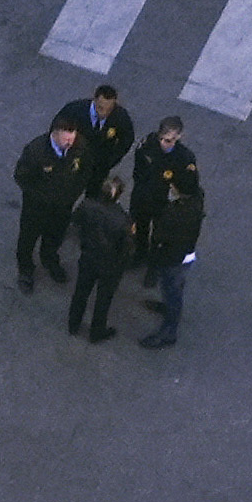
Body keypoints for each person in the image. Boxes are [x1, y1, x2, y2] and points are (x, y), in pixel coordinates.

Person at [12, 116, 86, 292]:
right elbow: (22, 177)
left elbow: (84, 173)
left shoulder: (80, 147)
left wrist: (72, 196)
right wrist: (40, 197)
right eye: (66, 138)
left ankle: (49, 259)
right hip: (36, 208)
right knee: (28, 239)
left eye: (72, 137)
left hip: (62, 206)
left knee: (55, 235)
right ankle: (25, 270)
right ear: (54, 133)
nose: (70, 142)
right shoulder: (36, 151)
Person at [139, 173, 204, 350]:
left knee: (172, 291)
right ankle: (168, 309)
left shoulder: (176, 213)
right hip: (185, 254)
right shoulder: (197, 199)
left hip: (172, 259)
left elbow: (160, 235)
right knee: (175, 288)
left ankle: (168, 332)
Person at [128, 117, 197, 282]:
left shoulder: (184, 158)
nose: (169, 144)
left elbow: (190, 185)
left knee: (160, 238)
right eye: (166, 140)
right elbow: (138, 172)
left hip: (165, 205)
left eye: (173, 139)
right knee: (141, 229)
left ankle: (153, 268)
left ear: (180, 136)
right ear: (159, 135)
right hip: (144, 198)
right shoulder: (147, 146)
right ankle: (140, 254)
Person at [67, 176, 131, 343]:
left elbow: (76, 220)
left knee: (81, 292)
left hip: (88, 257)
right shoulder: (122, 220)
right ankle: (96, 332)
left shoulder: (87, 205)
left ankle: (73, 324)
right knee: (103, 299)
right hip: (110, 265)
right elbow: (127, 248)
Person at [56, 84, 134, 196]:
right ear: (95, 100)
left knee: (93, 197)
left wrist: (110, 161)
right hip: (72, 164)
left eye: (109, 110)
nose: (104, 114)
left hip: (98, 168)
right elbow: (57, 132)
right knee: (66, 194)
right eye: (101, 108)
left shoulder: (120, 117)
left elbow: (126, 140)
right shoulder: (74, 111)